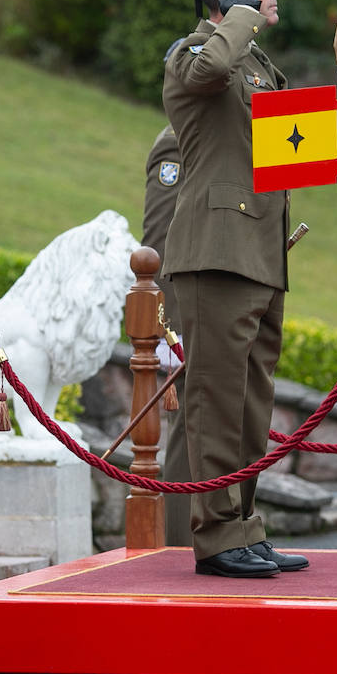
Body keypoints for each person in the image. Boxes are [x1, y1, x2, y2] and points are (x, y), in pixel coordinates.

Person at [161, 0, 307, 578]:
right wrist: (240, 16)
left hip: (259, 252)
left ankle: (243, 527)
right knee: (217, 401)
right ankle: (216, 535)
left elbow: (275, 157)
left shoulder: (256, 63)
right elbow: (207, 73)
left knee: (252, 401)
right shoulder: (196, 53)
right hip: (217, 252)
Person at [141, 117, 193, 548]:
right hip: (191, 309)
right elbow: (159, 238)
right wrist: (169, 322)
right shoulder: (176, 142)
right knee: (192, 425)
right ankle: (182, 539)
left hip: (227, 300)